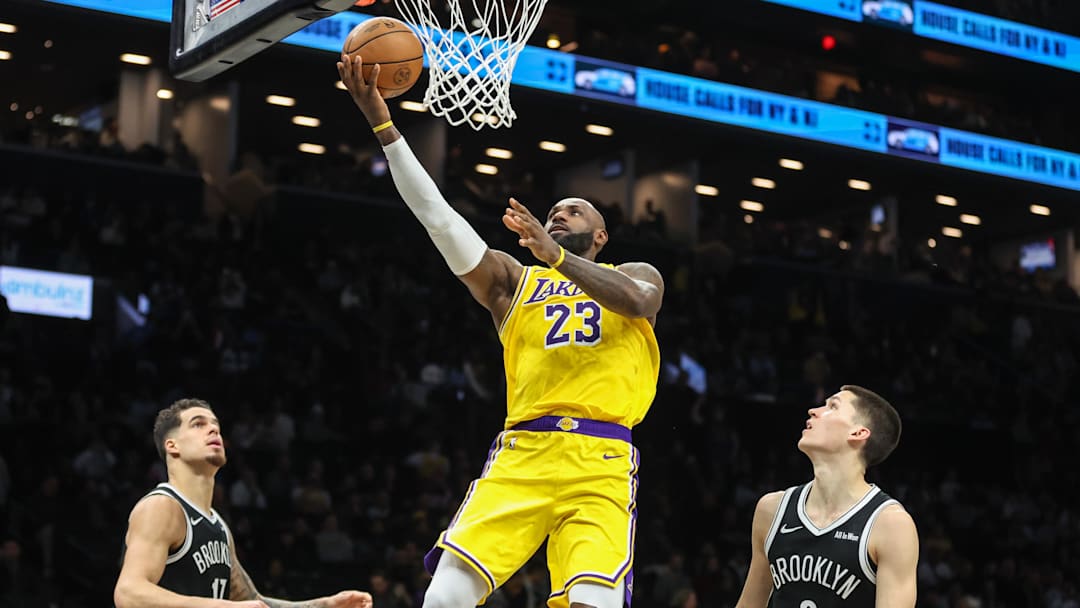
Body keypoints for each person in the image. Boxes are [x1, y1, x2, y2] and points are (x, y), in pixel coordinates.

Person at [337, 55, 665, 608]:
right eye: (554, 209)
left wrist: (556, 256)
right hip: (523, 451)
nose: (559, 213)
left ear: (601, 236)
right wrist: (382, 123)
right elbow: (438, 218)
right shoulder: (513, 281)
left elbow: (637, 302)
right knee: (443, 598)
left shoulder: (634, 273)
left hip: (601, 458)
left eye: (575, 210)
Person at [114, 398, 374, 608]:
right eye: (198, 424)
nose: (213, 429)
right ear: (172, 446)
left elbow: (253, 602)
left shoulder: (218, 526)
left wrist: (324, 605)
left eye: (215, 424)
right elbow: (129, 593)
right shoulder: (162, 507)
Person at [734, 386, 919, 607]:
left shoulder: (890, 525)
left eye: (832, 406)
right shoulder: (772, 510)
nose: (814, 411)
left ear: (858, 433)